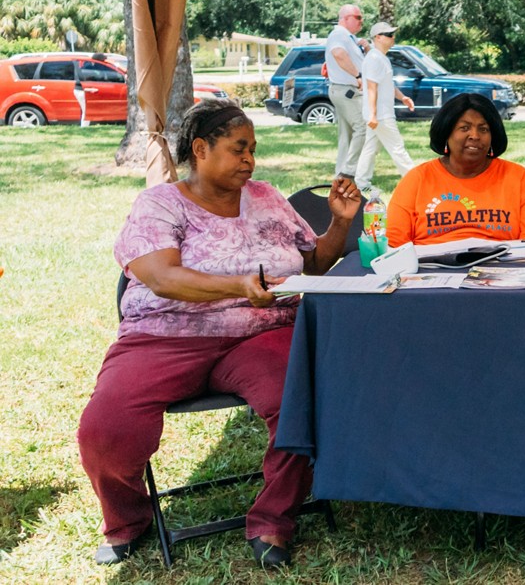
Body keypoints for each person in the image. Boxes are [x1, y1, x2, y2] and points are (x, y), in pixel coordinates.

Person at [78, 100, 361, 569]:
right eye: (238, 148)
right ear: (201, 149)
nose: (250, 159)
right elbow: (163, 277)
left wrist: (341, 222)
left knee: (300, 400)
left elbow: (311, 264)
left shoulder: (268, 198)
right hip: (165, 334)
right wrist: (239, 286)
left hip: (261, 331)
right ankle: (128, 520)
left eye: (253, 149)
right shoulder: (161, 203)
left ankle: (274, 518)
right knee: (107, 428)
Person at [386, 93, 525, 246]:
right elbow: (393, 245)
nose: (475, 135)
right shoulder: (417, 179)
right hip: (432, 274)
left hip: (502, 272)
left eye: (483, 129)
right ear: (446, 133)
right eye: (464, 128)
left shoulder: (517, 177)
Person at [354, 21, 416, 191]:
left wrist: (403, 98)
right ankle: (415, 181)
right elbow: (372, 87)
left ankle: (361, 183)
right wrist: (373, 115)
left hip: (378, 114)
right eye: (389, 35)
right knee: (397, 148)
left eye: (393, 34)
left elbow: (386, 83)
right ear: (378, 37)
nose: (393, 37)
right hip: (381, 115)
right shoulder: (374, 58)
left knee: (370, 148)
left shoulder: (381, 58)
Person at [324, 3, 368, 179]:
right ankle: (349, 171)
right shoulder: (339, 34)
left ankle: (341, 173)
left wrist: (365, 47)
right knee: (362, 128)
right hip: (346, 91)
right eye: (358, 17)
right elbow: (338, 54)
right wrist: (357, 75)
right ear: (346, 18)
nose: (361, 21)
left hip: (344, 90)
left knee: (347, 135)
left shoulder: (347, 37)